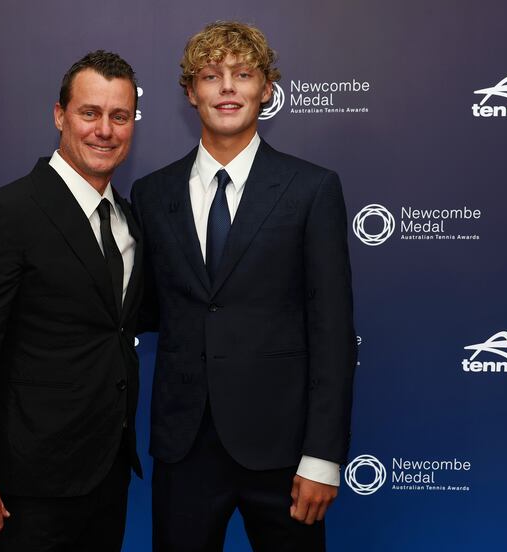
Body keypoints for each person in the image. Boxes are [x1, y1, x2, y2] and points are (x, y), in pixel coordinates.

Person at [131, 22, 357, 551]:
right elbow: (139, 309)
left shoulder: (312, 189)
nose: (227, 87)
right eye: (211, 76)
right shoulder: (151, 192)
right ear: (191, 92)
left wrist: (323, 457)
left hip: (283, 452)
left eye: (243, 74)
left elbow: (332, 331)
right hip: (183, 449)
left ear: (266, 89)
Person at [0, 50, 143, 551]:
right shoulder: (7, 213)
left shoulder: (129, 220)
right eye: (89, 113)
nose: (105, 130)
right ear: (60, 115)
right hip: (23, 488)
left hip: (108, 476)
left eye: (120, 116)